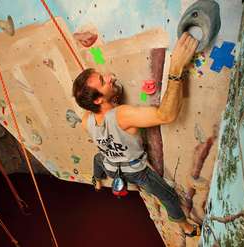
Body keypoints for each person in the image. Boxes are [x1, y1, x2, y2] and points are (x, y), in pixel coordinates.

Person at [72, 32, 200, 237]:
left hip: (111, 166)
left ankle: (96, 179)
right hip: (136, 171)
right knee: (168, 196)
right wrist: (176, 68)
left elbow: (99, 105)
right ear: (97, 100)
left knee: (98, 158)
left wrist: (108, 91)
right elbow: (166, 115)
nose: (111, 77)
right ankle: (185, 227)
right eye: (104, 80)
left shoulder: (86, 119)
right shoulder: (123, 115)